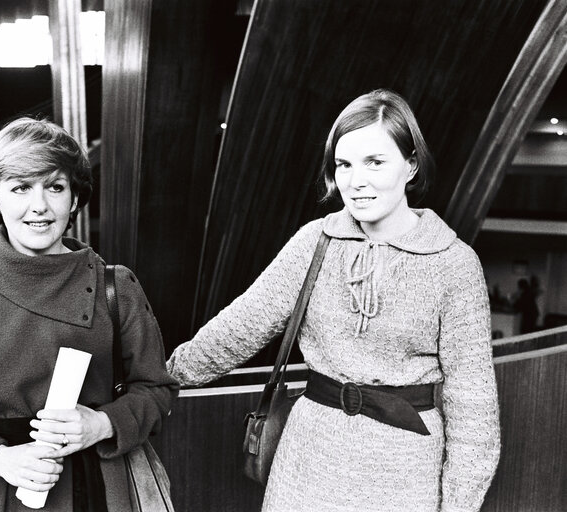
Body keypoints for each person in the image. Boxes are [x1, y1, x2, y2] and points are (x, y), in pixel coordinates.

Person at [167, 89, 500, 511]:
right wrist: (161, 376)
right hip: (307, 462)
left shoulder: (453, 262)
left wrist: (458, 506)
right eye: (344, 164)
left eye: (374, 162)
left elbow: (474, 407)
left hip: (406, 473)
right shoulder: (315, 242)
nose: (355, 181)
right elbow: (239, 328)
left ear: (411, 164)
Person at [0, 118, 178, 512]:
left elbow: (157, 389)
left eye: (56, 187)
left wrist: (103, 424)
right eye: (21, 187)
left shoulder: (117, 287)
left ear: (75, 198)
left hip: (102, 487)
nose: (40, 206)